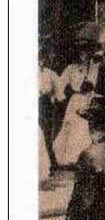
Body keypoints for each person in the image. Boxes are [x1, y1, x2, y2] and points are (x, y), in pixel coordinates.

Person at [53, 27, 105, 170]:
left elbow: (98, 83)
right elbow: (60, 83)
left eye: (87, 52)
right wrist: (61, 97)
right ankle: (72, 158)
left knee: (88, 127)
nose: (84, 55)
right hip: (77, 100)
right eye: (81, 52)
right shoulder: (72, 68)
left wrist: (91, 84)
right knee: (75, 126)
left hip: (90, 98)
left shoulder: (96, 67)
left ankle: (88, 158)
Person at [39, 46, 63, 177]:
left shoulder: (50, 73)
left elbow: (59, 93)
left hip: (44, 104)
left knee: (46, 132)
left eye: (43, 59)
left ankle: (50, 161)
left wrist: (52, 95)